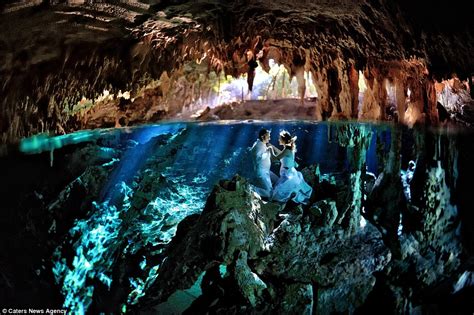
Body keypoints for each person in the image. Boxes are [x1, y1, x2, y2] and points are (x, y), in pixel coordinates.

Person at [270, 130, 312, 204]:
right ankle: (298, 198)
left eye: (280, 138)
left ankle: (299, 199)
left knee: (279, 193)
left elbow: (275, 158)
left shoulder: (287, 149)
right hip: (289, 172)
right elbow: (281, 154)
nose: (278, 140)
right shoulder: (287, 147)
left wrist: (270, 149)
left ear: (283, 140)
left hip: (288, 174)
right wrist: (273, 147)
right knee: (290, 189)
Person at [250, 129, 279, 198]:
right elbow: (259, 158)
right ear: (263, 137)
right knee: (269, 194)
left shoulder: (262, 144)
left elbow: (265, 158)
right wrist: (268, 151)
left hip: (267, 171)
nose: (270, 138)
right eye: (268, 137)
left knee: (279, 182)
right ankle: (250, 188)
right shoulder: (258, 145)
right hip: (261, 172)